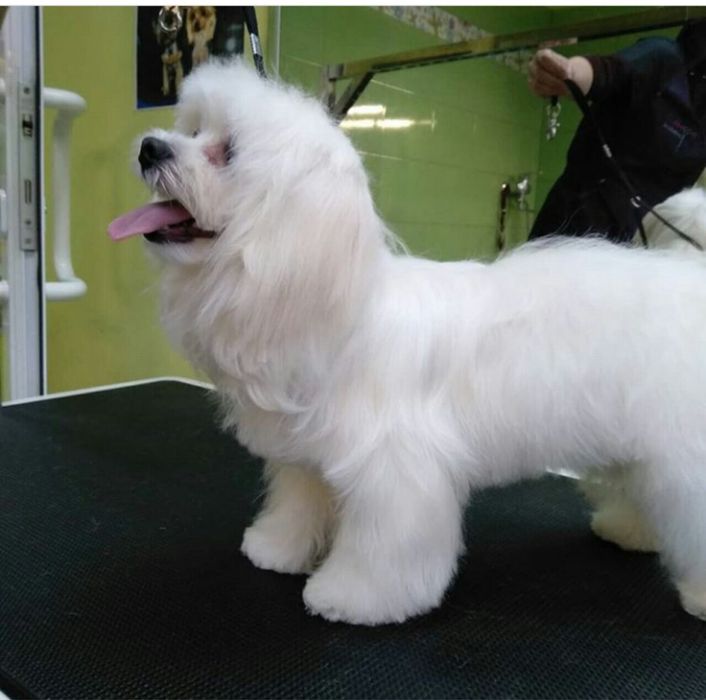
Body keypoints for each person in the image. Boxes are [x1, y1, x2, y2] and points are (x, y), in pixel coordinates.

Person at [527, 20, 706, 243]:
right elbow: (604, 72)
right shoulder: (662, 58)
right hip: (577, 218)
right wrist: (570, 74)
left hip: (638, 242)